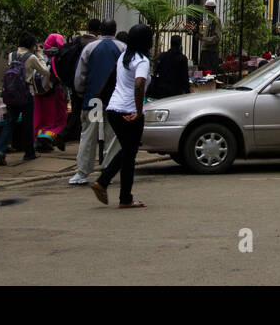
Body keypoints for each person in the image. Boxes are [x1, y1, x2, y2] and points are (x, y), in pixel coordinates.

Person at [91, 24, 153, 208]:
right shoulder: (142, 60)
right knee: (129, 153)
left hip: (114, 109)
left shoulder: (124, 58)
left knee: (127, 151)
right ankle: (116, 191)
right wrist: (138, 110)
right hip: (128, 112)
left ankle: (114, 190)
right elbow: (139, 84)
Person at [70, 19, 125, 185]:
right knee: (112, 135)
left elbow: (80, 75)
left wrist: (81, 92)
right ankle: (108, 170)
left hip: (93, 98)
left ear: (100, 30)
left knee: (88, 135)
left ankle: (82, 172)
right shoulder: (122, 48)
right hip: (115, 100)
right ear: (115, 30)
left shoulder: (90, 47)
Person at [0, 34, 38, 165]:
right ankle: (29, 152)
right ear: (32, 45)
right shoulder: (32, 57)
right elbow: (44, 71)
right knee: (27, 124)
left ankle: (0, 150)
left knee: (9, 123)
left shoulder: (11, 55)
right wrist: (40, 55)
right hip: (26, 95)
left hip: (11, 94)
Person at [32, 34, 69, 149]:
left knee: (39, 117)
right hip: (54, 91)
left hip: (38, 91)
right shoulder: (60, 55)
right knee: (59, 117)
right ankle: (48, 136)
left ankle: (37, 140)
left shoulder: (39, 53)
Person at [149, 35, 191, 99]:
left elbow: (156, 72)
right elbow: (185, 77)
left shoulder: (162, 56)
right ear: (180, 44)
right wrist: (188, 91)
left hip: (161, 90)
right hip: (175, 91)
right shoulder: (182, 58)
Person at [199, 0, 221, 72]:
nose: (206, 10)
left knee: (210, 73)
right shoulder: (207, 20)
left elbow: (217, 38)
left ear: (212, 8)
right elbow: (204, 32)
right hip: (205, 50)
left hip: (211, 52)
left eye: (208, 8)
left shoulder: (216, 20)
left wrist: (203, 38)